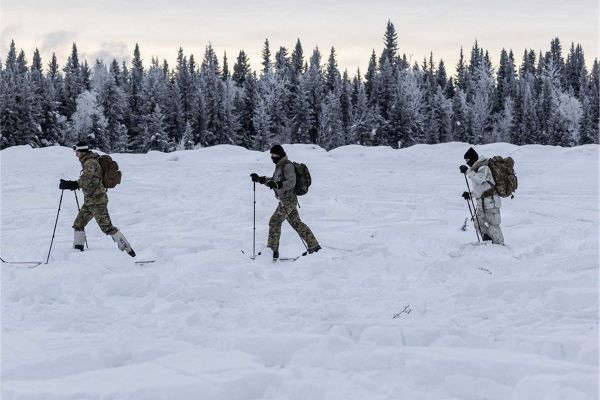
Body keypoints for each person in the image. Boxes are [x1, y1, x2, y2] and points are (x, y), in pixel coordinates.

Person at [59, 142, 136, 257]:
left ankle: (128, 251)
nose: (76, 154)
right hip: (90, 202)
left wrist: (71, 184)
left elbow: (86, 180)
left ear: (82, 152)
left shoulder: (90, 163)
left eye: (77, 152)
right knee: (78, 224)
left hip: (97, 202)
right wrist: (71, 184)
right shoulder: (88, 161)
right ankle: (78, 251)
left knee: (107, 228)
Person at [250, 145, 321, 260]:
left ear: (280, 154)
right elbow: (275, 182)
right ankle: (314, 246)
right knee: (297, 223)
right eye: (271, 155)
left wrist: (278, 184)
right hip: (285, 200)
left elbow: (291, 182)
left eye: (274, 155)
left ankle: (272, 251)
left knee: (275, 221)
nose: (272, 157)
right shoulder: (279, 166)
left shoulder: (287, 165)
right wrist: (261, 179)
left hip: (289, 200)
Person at [460, 147, 504, 245]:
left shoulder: (484, 167)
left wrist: (467, 172)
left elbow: (480, 180)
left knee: (493, 226)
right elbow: (480, 188)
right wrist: (470, 195)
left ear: (473, 158)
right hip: (482, 205)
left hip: (491, 203)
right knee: (477, 224)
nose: (467, 163)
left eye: (468, 160)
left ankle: (500, 246)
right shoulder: (475, 169)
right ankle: (489, 241)